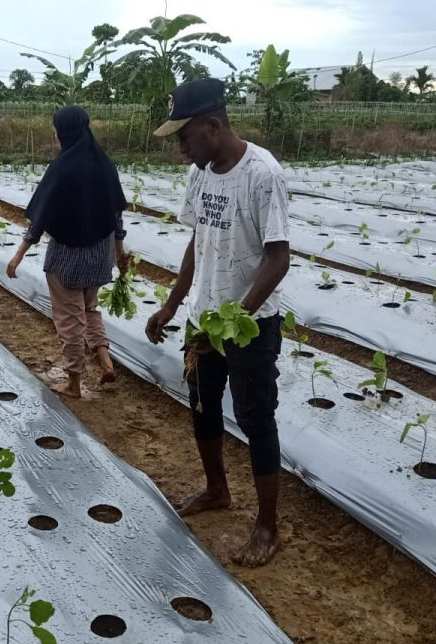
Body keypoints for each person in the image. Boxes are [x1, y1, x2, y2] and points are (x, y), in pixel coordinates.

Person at [144, 78, 290, 568]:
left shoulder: (262, 173)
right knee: (202, 408)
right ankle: (217, 490)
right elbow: (197, 243)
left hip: (249, 327)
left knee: (255, 419)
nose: (181, 148)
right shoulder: (201, 173)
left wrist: (233, 319)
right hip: (201, 322)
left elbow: (277, 259)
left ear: (213, 125)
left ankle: (268, 525)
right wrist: (172, 304)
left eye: (184, 136)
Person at [6, 105, 127, 398]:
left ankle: (74, 382)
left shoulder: (62, 167)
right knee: (89, 309)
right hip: (100, 256)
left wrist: (20, 252)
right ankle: (105, 360)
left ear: (63, 131)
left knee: (70, 319)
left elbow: (42, 216)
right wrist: (120, 254)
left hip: (68, 260)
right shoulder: (104, 164)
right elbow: (116, 216)